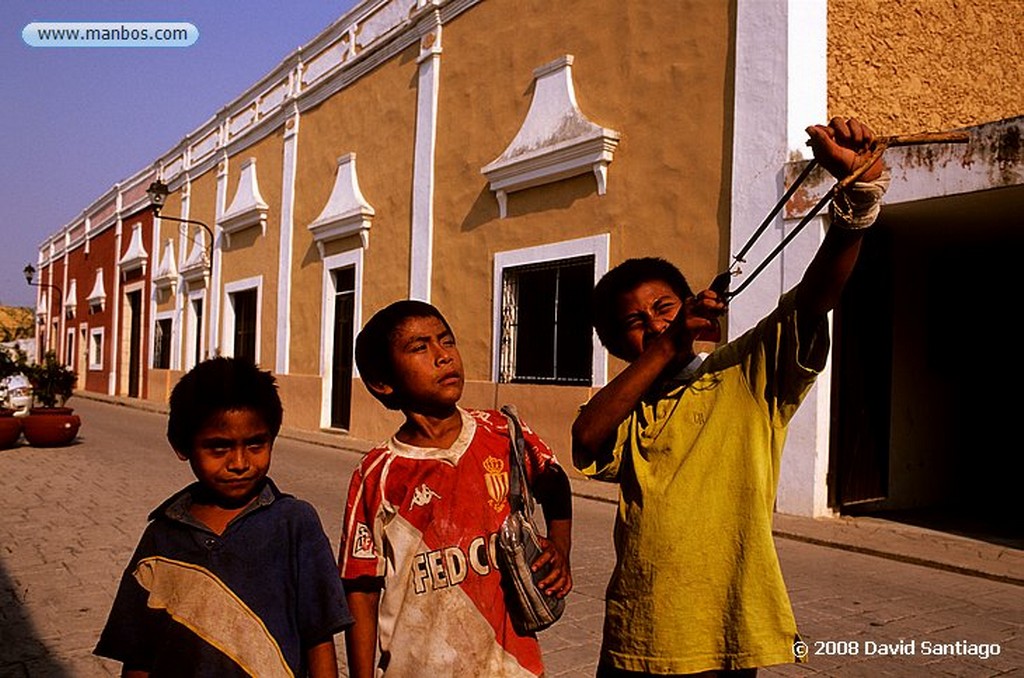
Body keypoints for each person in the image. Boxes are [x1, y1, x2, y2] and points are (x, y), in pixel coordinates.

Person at [572, 117, 889, 677]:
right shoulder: (628, 403)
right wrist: (668, 343)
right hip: (638, 630)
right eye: (633, 322)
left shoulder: (744, 372)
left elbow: (816, 297)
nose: (653, 322)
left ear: (691, 302)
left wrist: (857, 203)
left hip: (729, 626)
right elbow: (585, 439)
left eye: (664, 307)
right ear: (614, 345)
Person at [340, 300, 573, 678]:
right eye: (420, 347)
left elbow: (554, 479)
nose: (443, 356)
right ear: (383, 382)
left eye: (446, 341)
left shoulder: (502, 433)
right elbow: (361, 590)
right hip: (417, 667)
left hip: (512, 666)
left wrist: (561, 546)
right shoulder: (377, 473)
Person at [94, 357, 352, 678]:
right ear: (181, 446)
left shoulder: (295, 523)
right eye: (219, 448)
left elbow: (319, 638)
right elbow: (138, 654)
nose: (240, 462)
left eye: (255, 444)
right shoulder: (162, 535)